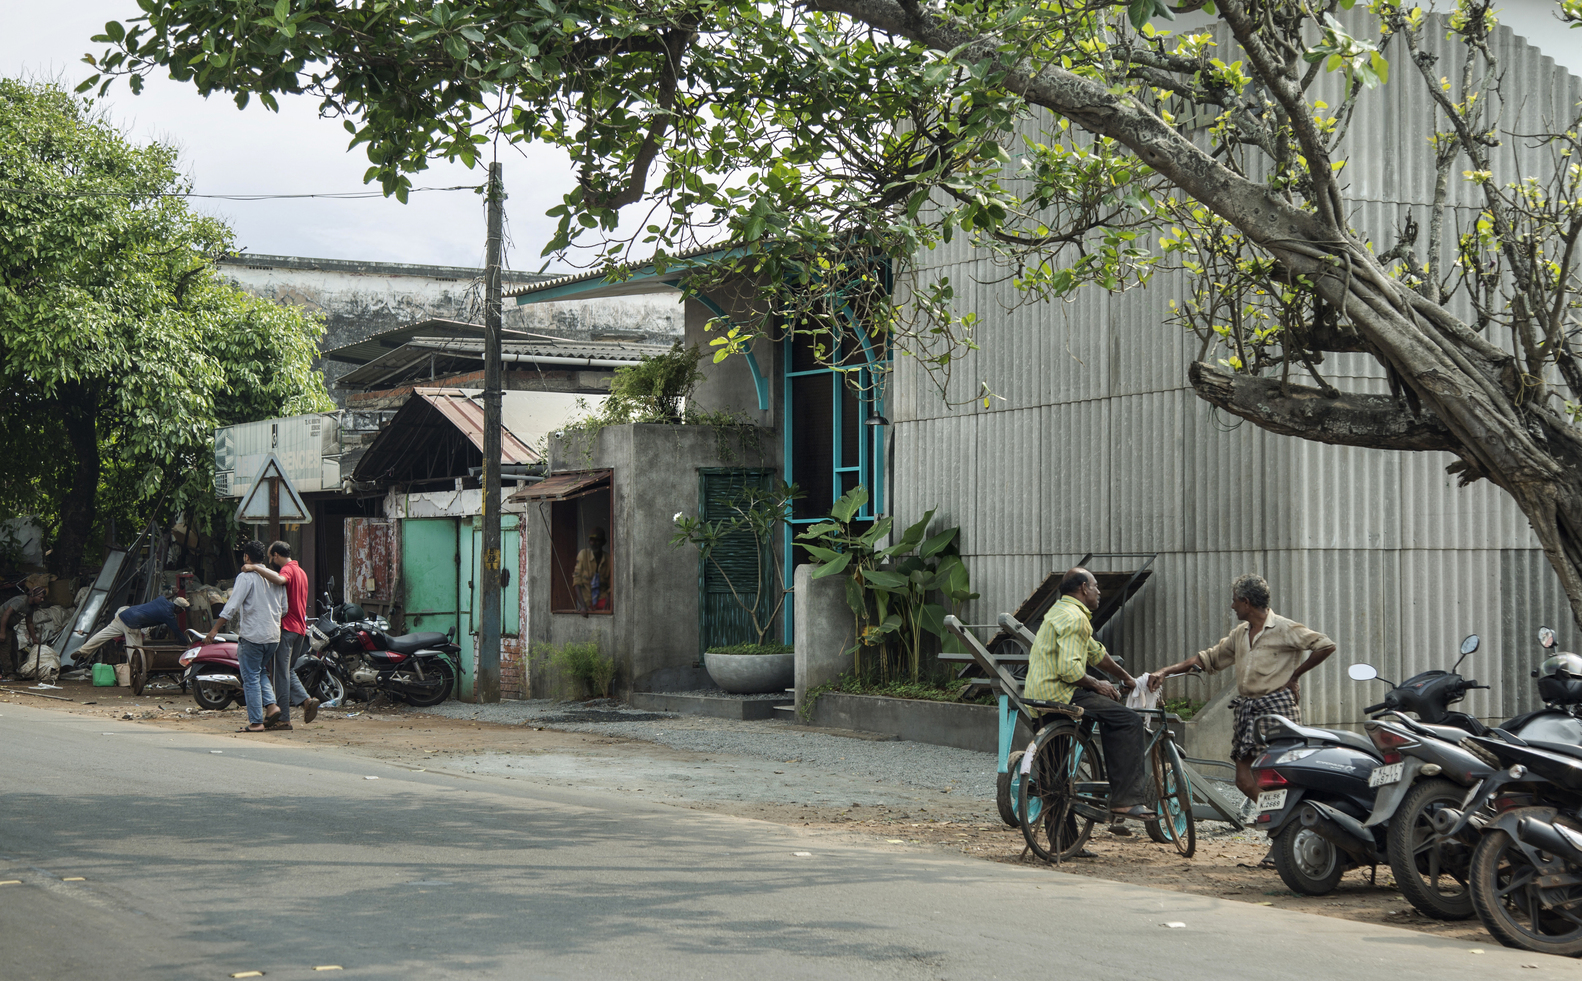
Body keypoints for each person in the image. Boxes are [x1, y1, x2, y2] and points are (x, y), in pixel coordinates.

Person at [1150, 573, 1336, 802]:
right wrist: (1165, 671)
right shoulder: (1240, 634)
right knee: (1243, 780)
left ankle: (1290, 818)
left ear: (1246, 602)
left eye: (1235, 600)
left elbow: (1325, 645)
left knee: (1284, 773)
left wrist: (1295, 675)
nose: (1232, 605)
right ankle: (1278, 815)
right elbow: (1207, 658)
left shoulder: (1284, 628)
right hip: (1248, 710)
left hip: (1277, 708)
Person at [1024, 567, 1154, 822]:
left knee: (1056, 779)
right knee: (1127, 720)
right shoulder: (1076, 618)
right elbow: (1070, 669)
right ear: (1084, 588)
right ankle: (1125, 801)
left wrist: (1126, 678)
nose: (1099, 592)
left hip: (1038, 695)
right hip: (1061, 694)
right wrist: (1098, 684)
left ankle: (1063, 844)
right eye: (1096, 586)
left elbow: (1096, 653)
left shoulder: (1059, 612)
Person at [204, 541, 287, 733]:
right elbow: (284, 610)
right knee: (259, 672)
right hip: (273, 636)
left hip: (253, 637)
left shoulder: (245, 577)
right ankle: (272, 705)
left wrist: (215, 629)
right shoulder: (276, 577)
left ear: (246, 557)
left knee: (250, 677)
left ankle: (256, 722)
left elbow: (231, 607)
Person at [241, 541, 318, 729]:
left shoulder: (288, 571)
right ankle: (306, 701)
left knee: (279, 676)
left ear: (276, 555)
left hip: (287, 629)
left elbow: (280, 581)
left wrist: (254, 568)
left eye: (270, 557)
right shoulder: (301, 571)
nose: (269, 561)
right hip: (301, 629)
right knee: (287, 671)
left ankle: (284, 718)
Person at [76, 590, 192, 660]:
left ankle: (83, 651)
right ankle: (135, 674)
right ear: (177, 608)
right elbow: (176, 630)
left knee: (102, 635)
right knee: (136, 651)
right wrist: (186, 643)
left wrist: (173, 594)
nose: (182, 612)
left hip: (123, 615)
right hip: (132, 623)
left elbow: (165, 600)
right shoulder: (168, 615)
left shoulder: (162, 599)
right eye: (182, 610)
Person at [0, 586, 46, 678]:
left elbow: (29, 623)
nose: (42, 599)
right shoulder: (21, 601)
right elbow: (6, 614)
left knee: (14, 646)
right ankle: (8, 672)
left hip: (9, 627)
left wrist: (34, 638)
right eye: (40, 597)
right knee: (6, 647)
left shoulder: (30, 608)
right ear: (33, 595)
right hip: (2, 623)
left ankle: (14, 670)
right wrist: (2, 632)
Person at [572, 527, 612, 613]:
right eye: (591, 540)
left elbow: (611, 585)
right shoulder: (583, 555)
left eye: (597, 540)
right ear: (588, 542)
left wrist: (608, 602)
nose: (594, 543)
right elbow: (576, 582)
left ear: (603, 542)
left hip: (603, 601)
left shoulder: (609, 559)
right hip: (587, 602)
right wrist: (583, 606)